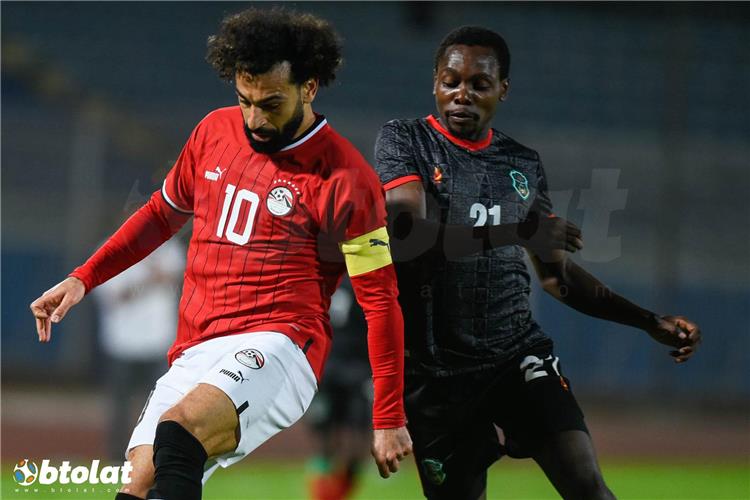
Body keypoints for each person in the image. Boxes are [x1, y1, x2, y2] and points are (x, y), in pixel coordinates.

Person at [29, 8, 412, 500]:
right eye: (244, 100)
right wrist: (83, 277)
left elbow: (380, 301)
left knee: (179, 431)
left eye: (271, 104)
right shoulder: (213, 131)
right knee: (139, 484)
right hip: (196, 346)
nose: (255, 119)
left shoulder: (347, 177)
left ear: (309, 88)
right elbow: (161, 215)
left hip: (280, 343)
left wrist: (388, 415)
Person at [373, 26, 702, 500]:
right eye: (451, 81)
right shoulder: (406, 139)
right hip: (435, 371)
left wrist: (648, 321)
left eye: (479, 84)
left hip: (516, 353)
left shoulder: (521, 163)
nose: (462, 94)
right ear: (435, 83)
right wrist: (517, 231)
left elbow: (556, 276)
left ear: (502, 90)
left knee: (590, 489)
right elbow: (407, 235)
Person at [92, 237, 185, 460]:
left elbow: (176, 279)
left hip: (159, 340)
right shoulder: (110, 251)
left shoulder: (167, 248)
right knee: (120, 407)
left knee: (163, 405)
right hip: (122, 342)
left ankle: (159, 455)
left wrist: (153, 269)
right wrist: (147, 276)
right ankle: (117, 458)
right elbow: (116, 295)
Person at [305, 277, 372, 500]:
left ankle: (339, 493)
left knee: (358, 443)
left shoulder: (367, 279)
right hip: (328, 368)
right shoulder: (323, 278)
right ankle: (322, 495)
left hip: (360, 369)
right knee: (324, 438)